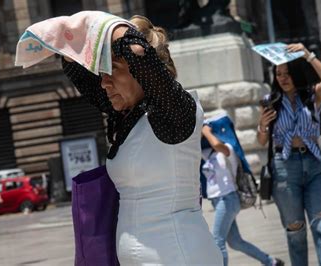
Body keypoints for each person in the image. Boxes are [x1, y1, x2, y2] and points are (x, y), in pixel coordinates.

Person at [62, 15, 222, 265]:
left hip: (179, 255)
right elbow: (77, 71)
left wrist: (108, 29)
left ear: (142, 73)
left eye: (112, 69)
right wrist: (70, 39)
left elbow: (136, 51)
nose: (104, 82)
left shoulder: (175, 114)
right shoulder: (130, 116)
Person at [257, 44, 321, 266]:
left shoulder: (312, 95)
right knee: (296, 231)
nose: (283, 78)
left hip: (315, 164)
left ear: (297, 72)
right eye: (278, 73)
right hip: (285, 167)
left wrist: (307, 55)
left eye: (288, 73)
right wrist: (263, 126)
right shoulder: (269, 100)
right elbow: (262, 141)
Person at [201, 116, 284, 266]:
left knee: (217, 240)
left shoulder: (228, 149)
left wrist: (205, 130)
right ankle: (270, 261)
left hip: (228, 199)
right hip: (217, 200)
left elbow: (217, 144)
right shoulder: (206, 152)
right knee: (235, 242)